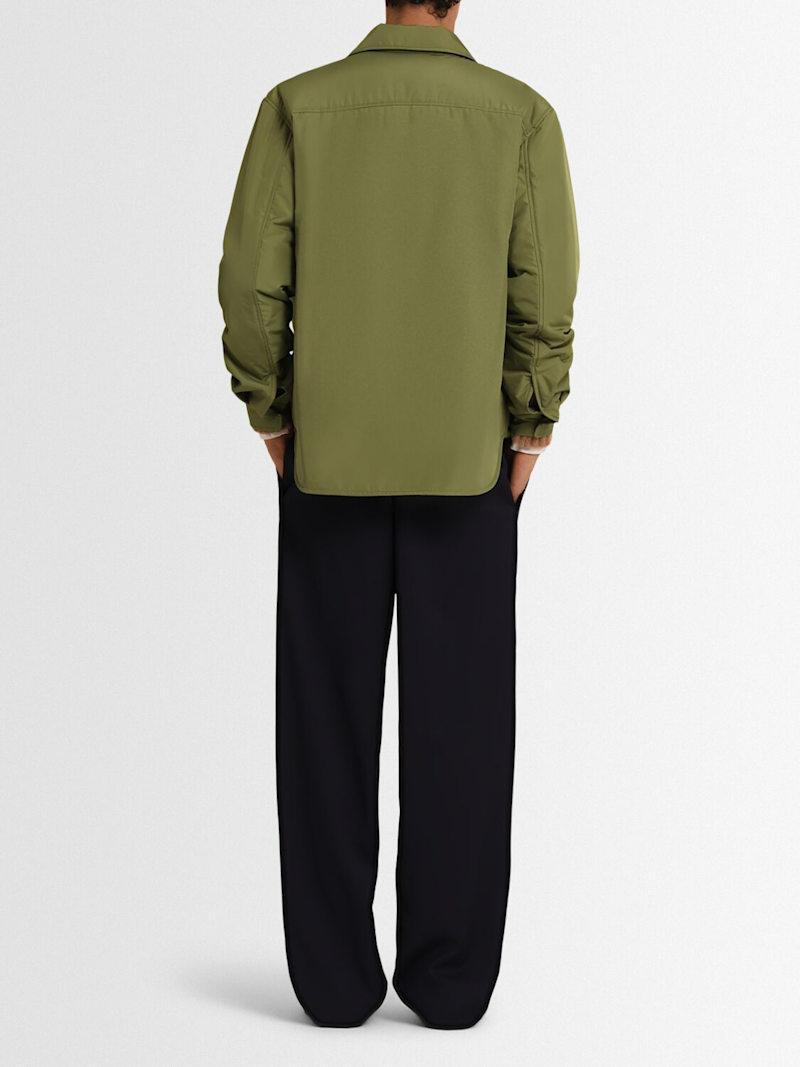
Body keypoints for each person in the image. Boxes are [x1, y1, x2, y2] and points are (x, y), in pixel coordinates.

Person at [218, 0, 578, 1030]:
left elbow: (249, 286)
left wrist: (274, 414)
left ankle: (332, 985)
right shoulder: (520, 115)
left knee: (323, 726)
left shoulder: (297, 107)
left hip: (328, 461)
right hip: (469, 469)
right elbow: (542, 289)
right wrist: (529, 426)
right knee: (464, 726)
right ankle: (450, 981)